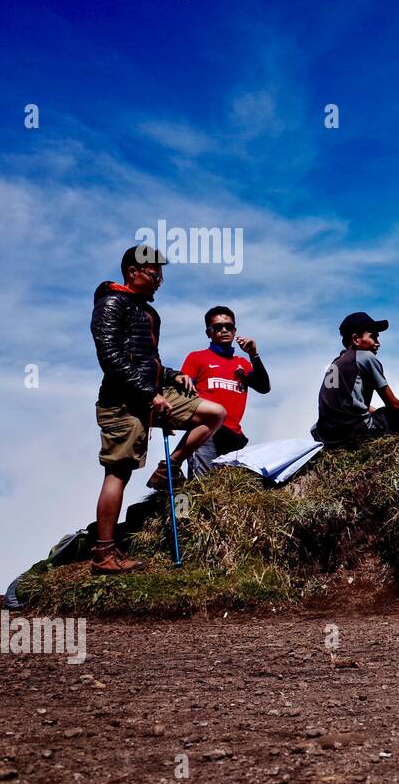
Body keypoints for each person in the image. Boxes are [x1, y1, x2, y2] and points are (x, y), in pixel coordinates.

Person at [89, 245, 227, 573]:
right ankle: (103, 554)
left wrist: (172, 375)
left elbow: (149, 362)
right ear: (133, 271)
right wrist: (149, 394)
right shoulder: (111, 304)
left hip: (152, 393)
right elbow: (110, 358)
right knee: (118, 473)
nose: (158, 281)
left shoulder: (147, 312)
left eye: (161, 277)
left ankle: (169, 467)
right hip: (122, 402)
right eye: (154, 275)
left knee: (213, 413)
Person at [180, 306, 271, 477]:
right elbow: (183, 394)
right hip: (206, 433)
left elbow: (264, 388)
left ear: (235, 331)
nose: (224, 330)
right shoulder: (196, 357)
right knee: (203, 489)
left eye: (229, 327)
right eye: (218, 327)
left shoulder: (242, 363)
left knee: (229, 491)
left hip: (234, 435)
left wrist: (254, 355)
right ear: (209, 332)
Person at [311, 312, 399, 448]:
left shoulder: (334, 365)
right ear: (355, 339)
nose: (378, 343)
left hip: (328, 436)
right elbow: (394, 404)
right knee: (390, 414)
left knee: (376, 412)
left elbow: (343, 402)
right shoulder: (366, 358)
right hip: (353, 434)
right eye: (373, 337)